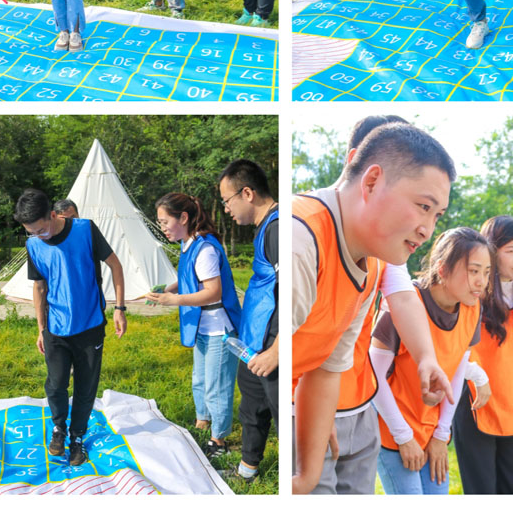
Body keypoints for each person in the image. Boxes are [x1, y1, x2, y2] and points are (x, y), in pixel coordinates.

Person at [292, 122, 456, 494]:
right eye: (423, 207)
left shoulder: (374, 261)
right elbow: (266, 366)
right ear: (371, 181)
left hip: (343, 403)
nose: (428, 230)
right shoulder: (301, 242)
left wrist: (307, 475)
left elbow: (325, 367)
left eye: (437, 215)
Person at [312, 114, 409, 495]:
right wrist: (315, 414)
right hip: (310, 403)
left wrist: (427, 358)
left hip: (360, 400)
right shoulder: (310, 229)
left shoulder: (386, 245)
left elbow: (403, 297)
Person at [370, 227, 491, 495]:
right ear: (443, 269)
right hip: (392, 431)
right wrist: (403, 437)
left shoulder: (472, 308)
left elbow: (456, 372)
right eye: (474, 271)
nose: (482, 282)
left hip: (431, 432)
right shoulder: (402, 303)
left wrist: (440, 435)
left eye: (486, 272)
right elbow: (372, 376)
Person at [13, 188, 127, 467]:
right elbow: (39, 287)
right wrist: (41, 328)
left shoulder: (85, 230)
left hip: (89, 325)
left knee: (86, 387)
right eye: (31, 232)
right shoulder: (34, 245)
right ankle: (59, 428)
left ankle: (77, 437)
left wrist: (120, 308)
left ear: (53, 215)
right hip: (55, 327)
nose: (38, 236)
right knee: (55, 384)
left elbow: (115, 265)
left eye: (41, 230)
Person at [147, 193, 241, 460]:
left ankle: (218, 440)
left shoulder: (205, 249)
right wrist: (166, 290)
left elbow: (213, 292)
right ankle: (202, 423)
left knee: (217, 385)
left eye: (165, 222)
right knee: (200, 379)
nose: (163, 228)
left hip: (219, 329)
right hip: (202, 327)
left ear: (183, 218)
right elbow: (189, 277)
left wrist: (174, 300)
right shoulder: (188, 244)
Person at [452, 216, 513, 494]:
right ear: (490, 252)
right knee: (482, 491)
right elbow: (452, 348)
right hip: (476, 403)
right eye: (511, 250)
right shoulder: (471, 296)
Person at [218, 159, 279, 483]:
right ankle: (247, 472)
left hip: (274, 347)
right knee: (252, 410)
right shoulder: (264, 228)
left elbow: (297, 293)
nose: (226, 209)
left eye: (227, 201)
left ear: (247, 193)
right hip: (254, 343)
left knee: (285, 417)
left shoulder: (279, 229)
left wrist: (277, 351)